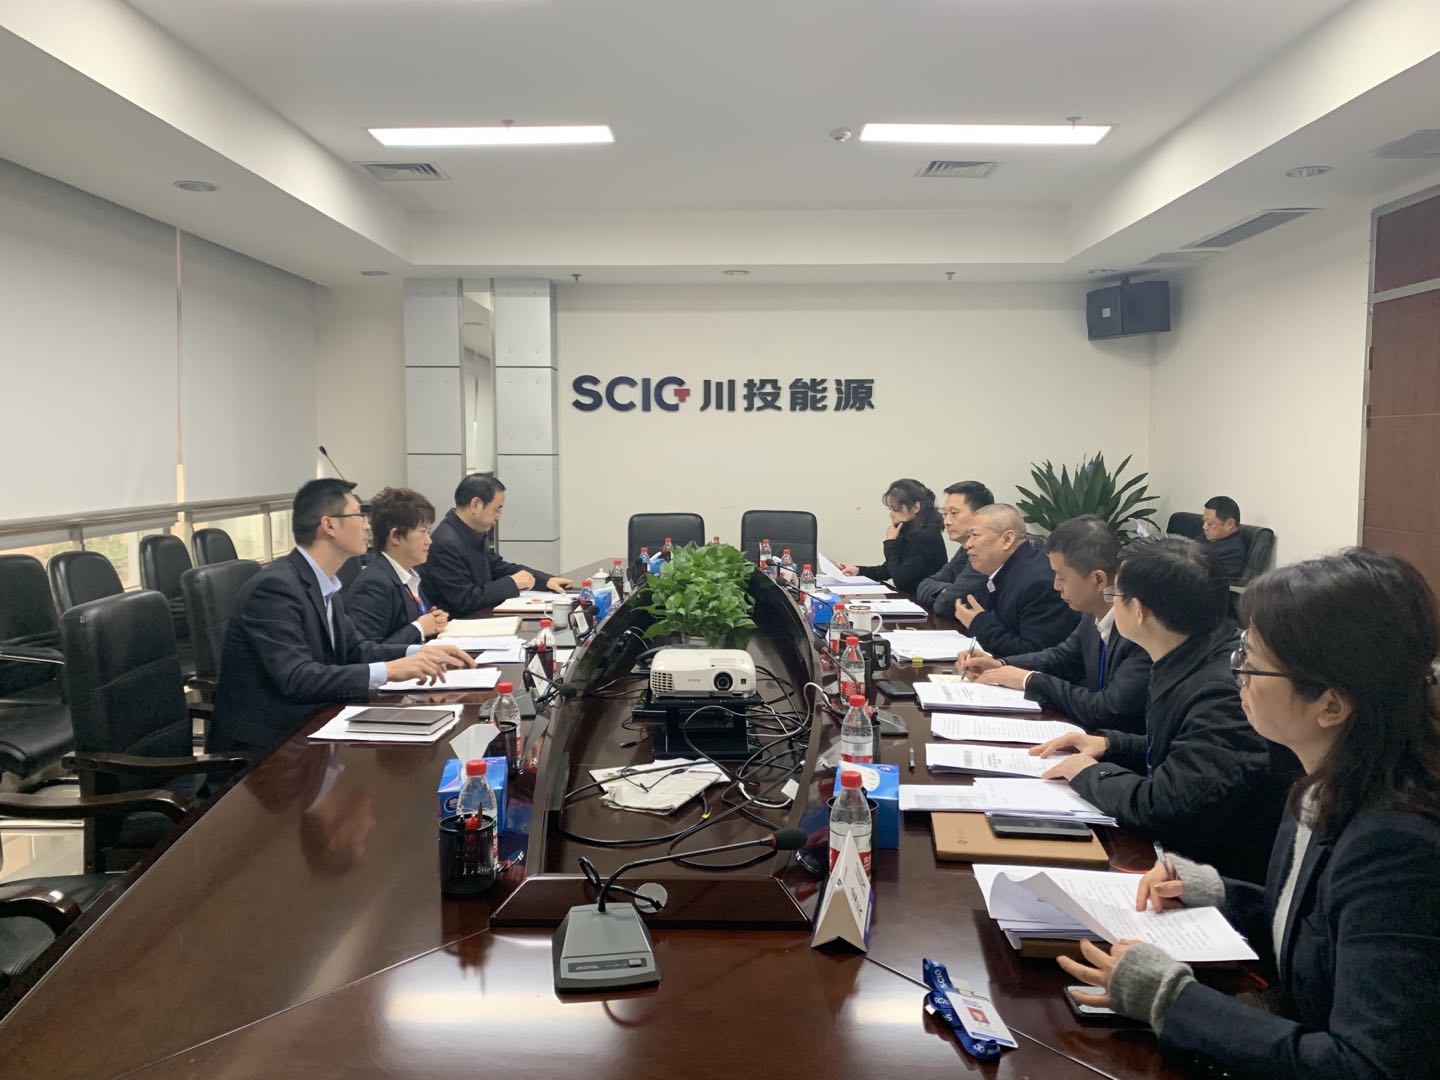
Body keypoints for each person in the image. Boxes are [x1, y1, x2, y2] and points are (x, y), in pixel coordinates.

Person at [1059, 549, 1440, 1079]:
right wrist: (1218, 892)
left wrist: (1173, 999)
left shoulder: (1398, 845)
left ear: (1331, 705)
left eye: (1252, 662)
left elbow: (1367, 1067)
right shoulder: (1322, 782)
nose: (1235, 672)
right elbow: (1319, 932)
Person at [1032, 536, 1299, 882]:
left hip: (1213, 880)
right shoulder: (1190, 652)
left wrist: (1088, 772)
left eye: (1115, 597)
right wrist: (1110, 744)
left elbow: (1166, 807)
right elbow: (1185, 749)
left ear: (1139, 611)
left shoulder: (1223, 692)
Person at [210, 479, 474, 757]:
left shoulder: (323, 583)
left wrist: (419, 653)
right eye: (358, 515)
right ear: (329, 525)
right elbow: (297, 678)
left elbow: (356, 650)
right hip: (267, 749)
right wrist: (389, 670)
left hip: (314, 727)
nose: (367, 526)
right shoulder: (275, 588)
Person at [960, 515, 1149, 734]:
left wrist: (1030, 680)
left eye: (1061, 577)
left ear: (1098, 580)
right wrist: (1000, 665)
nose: (1056, 585)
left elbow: (1108, 709)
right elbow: (1062, 658)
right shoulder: (1091, 615)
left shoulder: (1139, 632)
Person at [420, 473, 572, 616]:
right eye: (497, 509)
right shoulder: (445, 543)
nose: (498, 516)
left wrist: (544, 581)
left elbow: (498, 567)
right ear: (475, 505)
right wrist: (512, 583)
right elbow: (464, 600)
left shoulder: (470, 532)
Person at [954, 504, 1079, 654]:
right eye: (968, 537)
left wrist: (979, 623)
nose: (968, 545)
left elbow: (1032, 652)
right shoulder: (1001, 570)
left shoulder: (1038, 584)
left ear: (1007, 539)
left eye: (975, 535)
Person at [347, 487, 450, 646]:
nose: (429, 541)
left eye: (429, 532)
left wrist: (432, 620)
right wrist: (419, 628)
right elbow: (367, 652)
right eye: (422, 532)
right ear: (395, 536)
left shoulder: (410, 575)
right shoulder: (374, 584)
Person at [836, 478, 947, 595]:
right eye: (890, 509)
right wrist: (858, 570)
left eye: (895, 509)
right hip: (910, 598)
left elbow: (901, 580)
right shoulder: (909, 530)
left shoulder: (926, 536)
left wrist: (890, 543)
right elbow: (889, 569)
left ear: (915, 507)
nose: (891, 515)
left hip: (923, 602)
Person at [915, 480, 993, 615]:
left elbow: (945, 604)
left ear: (980, 515)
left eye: (954, 513)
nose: (947, 522)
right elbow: (924, 586)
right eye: (945, 514)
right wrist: (949, 590)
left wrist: (949, 593)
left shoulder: (986, 552)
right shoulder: (965, 549)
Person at [1201, 495, 1247, 577]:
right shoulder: (1213, 536)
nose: (1204, 527)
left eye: (1210, 523)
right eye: (1204, 521)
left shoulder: (1232, 553)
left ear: (1230, 524)